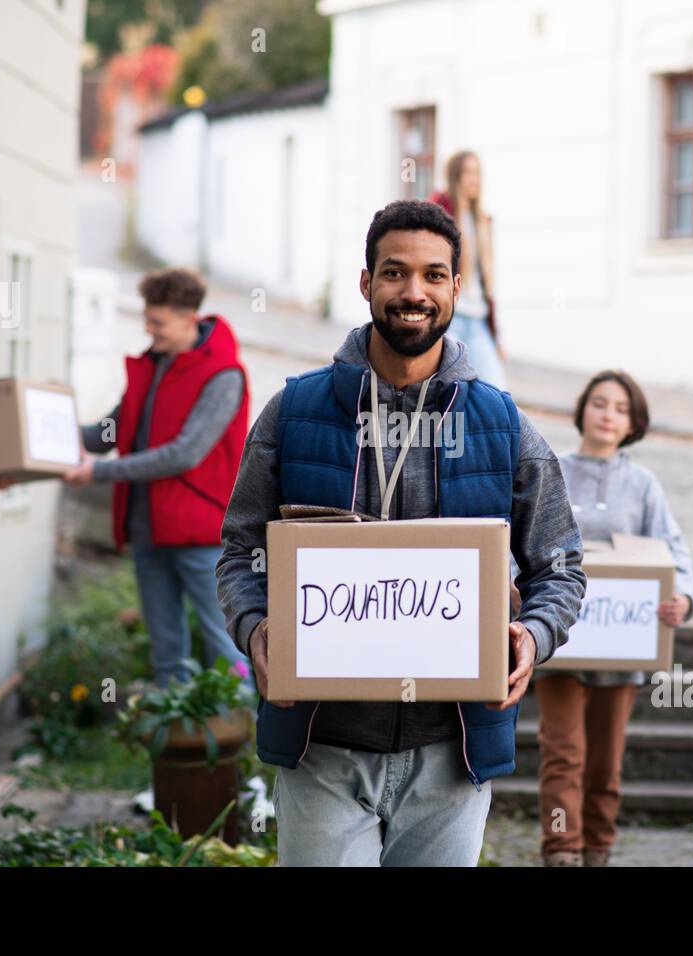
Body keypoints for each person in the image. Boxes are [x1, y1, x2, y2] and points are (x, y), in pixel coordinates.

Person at [216, 199, 587, 866]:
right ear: (366, 284)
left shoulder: (502, 425)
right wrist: (255, 628)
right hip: (321, 747)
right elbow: (240, 551)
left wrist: (533, 636)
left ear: (454, 287)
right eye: (395, 273)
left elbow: (559, 566)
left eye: (433, 276)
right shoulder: (294, 413)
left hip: (452, 751)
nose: (413, 292)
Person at [535, 370, 693, 866]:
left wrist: (683, 598)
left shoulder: (643, 485)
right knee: (563, 752)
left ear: (633, 423)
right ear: (583, 408)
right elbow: (527, 542)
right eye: (600, 403)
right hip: (562, 640)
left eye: (620, 408)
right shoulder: (551, 471)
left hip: (621, 642)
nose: (608, 414)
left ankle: (597, 848)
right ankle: (561, 849)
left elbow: (674, 553)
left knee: (605, 760)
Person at [69, 268, 252, 689]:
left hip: (201, 535)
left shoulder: (224, 375)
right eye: (147, 322)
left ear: (189, 319)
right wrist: (47, 430)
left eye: (158, 324)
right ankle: (177, 747)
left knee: (225, 650)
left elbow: (184, 454)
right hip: (148, 531)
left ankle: (244, 748)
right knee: (166, 650)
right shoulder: (151, 367)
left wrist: (98, 471)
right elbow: (107, 434)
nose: (150, 333)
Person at [428, 150, 506, 388]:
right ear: (455, 176)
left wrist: (496, 336)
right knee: (449, 391)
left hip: (478, 319)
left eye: (478, 173)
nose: (475, 179)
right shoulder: (440, 211)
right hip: (449, 318)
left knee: (497, 391)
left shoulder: (483, 220)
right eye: (468, 173)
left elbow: (486, 285)